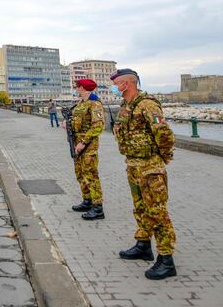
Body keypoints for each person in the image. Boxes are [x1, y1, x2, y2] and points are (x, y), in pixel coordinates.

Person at [110, 68, 177, 280]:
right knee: (140, 207)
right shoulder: (125, 106)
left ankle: (166, 260)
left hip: (150, 167)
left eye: (116, 83)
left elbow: (164, 133)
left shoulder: (147, 104)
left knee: (157, 212)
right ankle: (143, 244)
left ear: (127, 84)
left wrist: (162, 159)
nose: (114, 86)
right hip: (133, 164)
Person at [68, 79, 106, 220]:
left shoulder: (94, 103)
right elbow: (76, 120)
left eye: (77, 86)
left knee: (90, 175)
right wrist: (68, 123)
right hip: (77, 142)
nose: (75, 88)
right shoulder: (80, 103)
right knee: (80, 173)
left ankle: (98, 208)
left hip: (88, 145)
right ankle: (87, 200)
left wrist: (83, 142)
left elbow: (98, 125)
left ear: (83, 87)